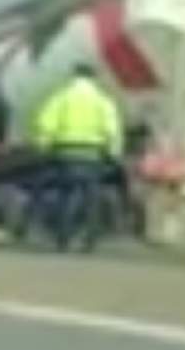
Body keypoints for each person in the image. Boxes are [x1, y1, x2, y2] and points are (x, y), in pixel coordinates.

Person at [26, 63, 123, 252]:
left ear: (73, 76)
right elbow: (113, 129)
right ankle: (90, 240)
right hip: (92, 154)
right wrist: (113, 153)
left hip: (66, 152)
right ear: (93, 78)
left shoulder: (61, 98)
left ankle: (63, 238)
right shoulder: (102, 101)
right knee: (91, 198)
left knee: (67, 194)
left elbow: (45, 123)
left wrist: (43, 146)